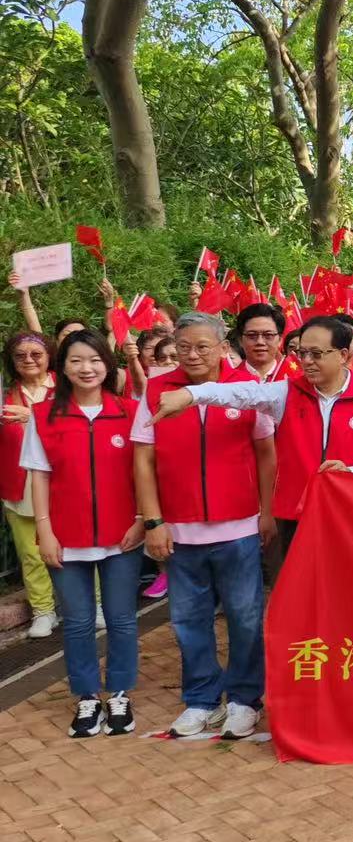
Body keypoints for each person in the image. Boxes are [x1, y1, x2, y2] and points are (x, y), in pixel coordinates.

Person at [133, 313, 275, 739]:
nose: (192, 355)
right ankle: (202, 700)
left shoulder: (246, 389)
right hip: (180, 529)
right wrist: (153, 520)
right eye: (184, 347)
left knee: (246, 617)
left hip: (239, 527)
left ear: (222, 347)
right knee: (188, 619)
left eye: (202, 347)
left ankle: (246, 698)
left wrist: (267, 511)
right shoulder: (159, 389)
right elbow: (143, 457)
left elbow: (266, 453)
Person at [151, 315, 353, 554]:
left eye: (316, 354)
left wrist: (351, 471)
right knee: (297, 588)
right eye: (302, 353)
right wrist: (191, 394)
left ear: (343, 355)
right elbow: (242, 393)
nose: (307, 361)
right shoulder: (287, 392)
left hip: (351, 513)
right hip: (297, 515)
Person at [20, 331, 145, 738]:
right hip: (65, 535)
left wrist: (142, 518)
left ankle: (120, 692)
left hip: (122, 533)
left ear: (108, 365)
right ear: (63, 367)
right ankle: (87, 696)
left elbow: (145, 473)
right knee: (76, 622)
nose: (86, 368)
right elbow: (39, 476)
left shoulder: (130, 412)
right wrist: (45, 530)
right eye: (76, 360)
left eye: (94, 359)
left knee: (123, 620)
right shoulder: (44, 416)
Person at [3, 330, 55, 637]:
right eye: (20, 355)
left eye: (36, 354)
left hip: (64, 482)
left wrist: (32, 414)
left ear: (49, 356)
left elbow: (76, 421)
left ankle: (94, 605)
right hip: (18, 485)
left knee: (78, 548)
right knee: (30, 554)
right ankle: (43, 611)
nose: (29, 360)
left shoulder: (65, 387)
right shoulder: (4, 393)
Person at [232, 303, 293, 382]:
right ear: (240, 340)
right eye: (252, 335)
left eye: (268, 335)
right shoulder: (227, 382)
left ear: (280, 340)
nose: (260, 342)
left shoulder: (294, 380)